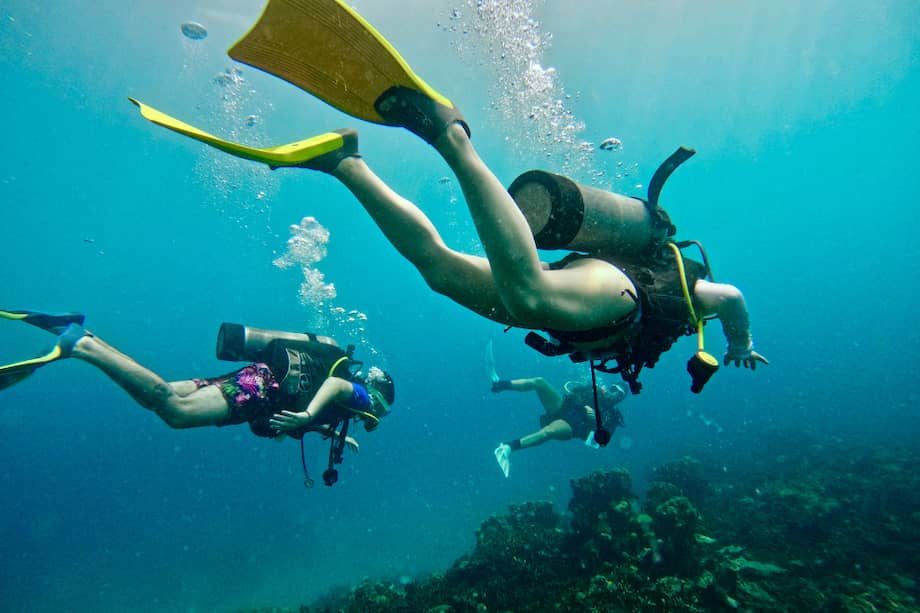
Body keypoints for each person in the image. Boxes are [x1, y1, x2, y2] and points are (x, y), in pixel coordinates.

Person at [130, 0, 767, 403]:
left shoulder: (667, 320)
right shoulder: (686, 297)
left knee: (438, 272)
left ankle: (343, 163)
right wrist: (738, 342)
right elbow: (731, 297)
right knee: (530, 296)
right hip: (607, 292)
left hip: (578, 303)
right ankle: (448, 134)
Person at [0, 309, 395, 487]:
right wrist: (311, 413)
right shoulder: (357, 394)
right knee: (176, 412)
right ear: (377, 397)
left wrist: (323, 426)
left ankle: (75, 331)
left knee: (169, 394)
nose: (371, 416)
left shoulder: (338, 409)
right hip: (260, 389)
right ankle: (81, 346)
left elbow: (317, 402)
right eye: (376, 409)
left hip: (257, 380)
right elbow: (341, 389)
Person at [490, 376, 627, 478]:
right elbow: (569, 391)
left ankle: (508, 447)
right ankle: (500, 384)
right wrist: (580, 403)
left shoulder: (613, 417)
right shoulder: (592, 389)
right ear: (609, 387)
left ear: (621, 399)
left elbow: (599, 442)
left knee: (549, 431)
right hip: (563, 407)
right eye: (613, 389)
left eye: (619, 394)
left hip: (574, 426)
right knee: (539, 382)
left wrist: (597, 421)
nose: (614, 394)